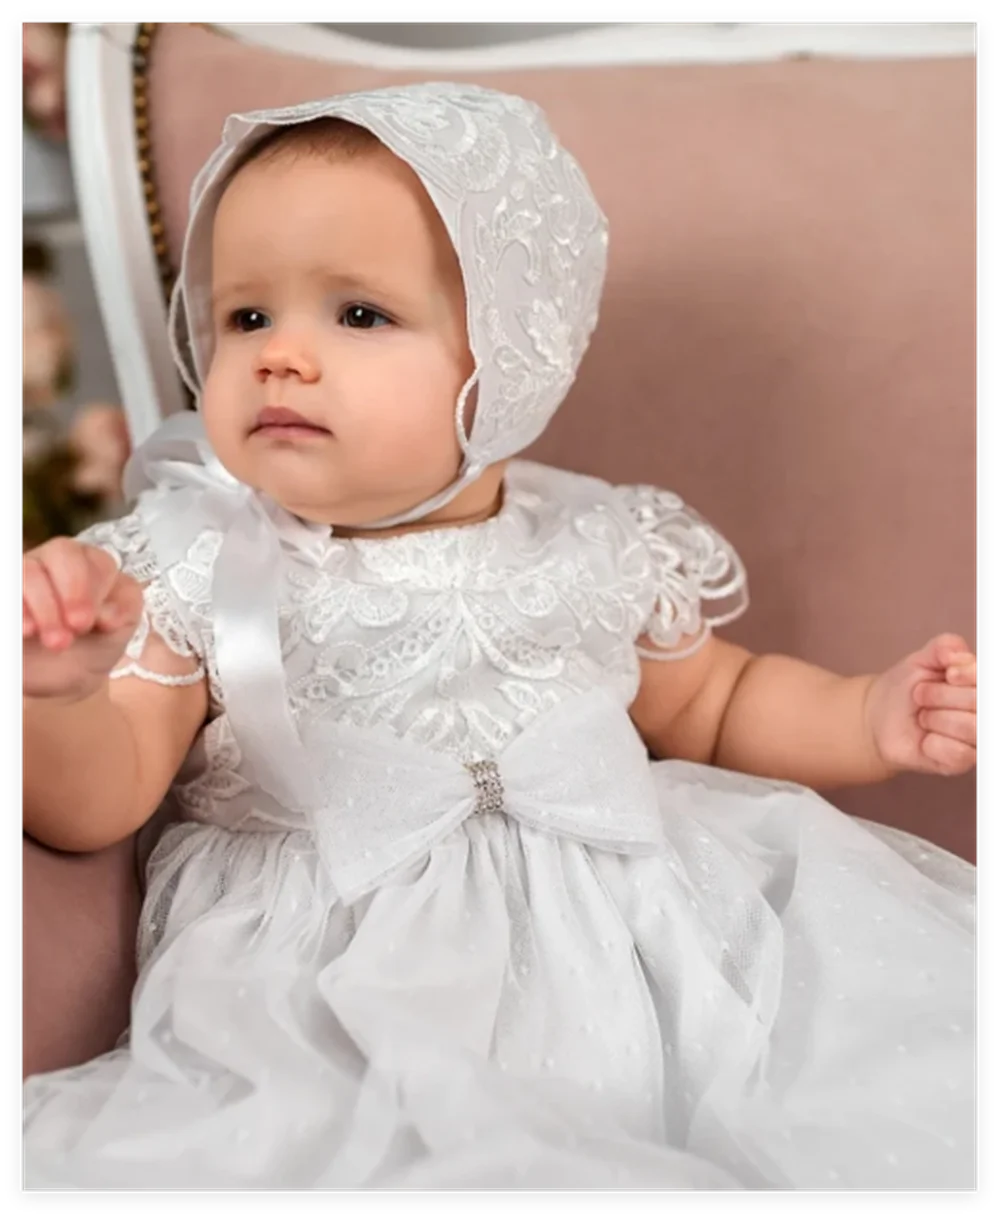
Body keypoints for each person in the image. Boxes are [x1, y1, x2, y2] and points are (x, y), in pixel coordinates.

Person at [21, 84, 976, 1191]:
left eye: (359, 314)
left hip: (660, 937)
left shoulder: (594, 537)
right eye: (246, 317)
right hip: (347, 981)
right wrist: (55, 697)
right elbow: (103, 795)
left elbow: (716, 703)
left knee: (848, 1099)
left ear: (511, 355)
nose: (280, 356)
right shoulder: (195, 563)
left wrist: (869, 714)